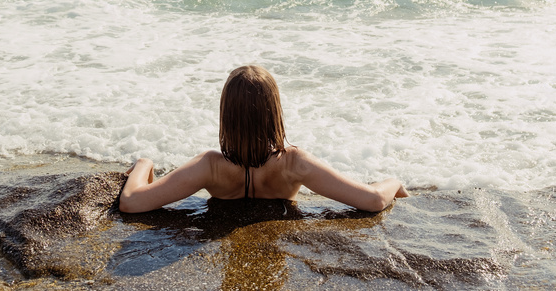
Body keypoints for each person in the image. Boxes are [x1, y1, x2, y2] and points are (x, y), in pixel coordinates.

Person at [119, 64, 409, 213]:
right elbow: (372, 201)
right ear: (273, 111)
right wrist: (393, 182)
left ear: (226, 114)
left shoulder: (210, 166)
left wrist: (144, 164)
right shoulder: (294, 163)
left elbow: (131, 202)